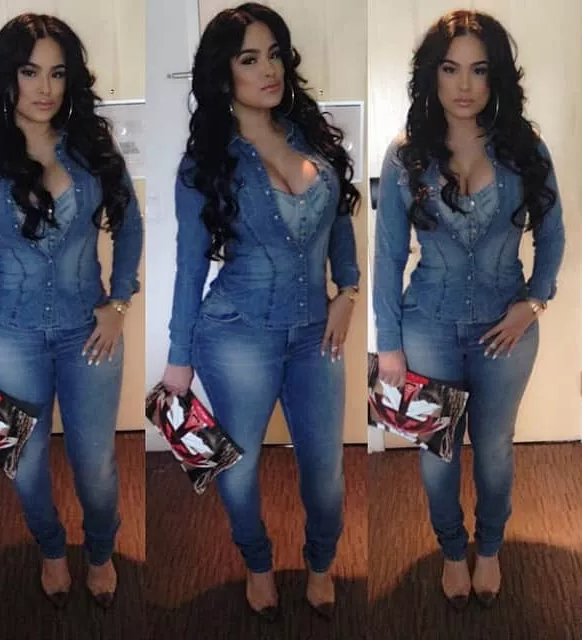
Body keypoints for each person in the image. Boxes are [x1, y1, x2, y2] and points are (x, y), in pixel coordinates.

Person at [161, 2, 360, 621]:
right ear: (224, 74)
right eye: (250, 59)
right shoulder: (205, 165)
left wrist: (348, 292)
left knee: (325, 472)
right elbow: (190, 268)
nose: (269, 69)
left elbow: (340, 225)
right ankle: (257, 564)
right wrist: (177, 360)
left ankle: (321, 564)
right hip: (235, 335)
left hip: (316, 337)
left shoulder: (314, 138)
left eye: (274, 54)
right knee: (240, 470)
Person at [0, 13, 143, 608]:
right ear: (7, 77)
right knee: (26, 464)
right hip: (9, 335)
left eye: (58, 73)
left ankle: (101, 552)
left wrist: (118, 301)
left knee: (96, 463)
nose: (45, 88)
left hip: (90, 333)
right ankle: (52, 550)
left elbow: (130, 226)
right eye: (31, 71)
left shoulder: (92, 148)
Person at [373, 10, 565, 610]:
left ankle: (490, 548)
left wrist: (533, 302)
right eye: (450, 69)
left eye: (479, 70)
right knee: (438, 453)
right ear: (431, 75)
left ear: (496, 77)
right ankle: (452, 550)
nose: (463, 85)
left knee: (495, 447)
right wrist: (388, 344)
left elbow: (553, 234)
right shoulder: (406, 156)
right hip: (426, 326)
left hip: (506, 329)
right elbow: (386, 257)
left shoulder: (525, 149)